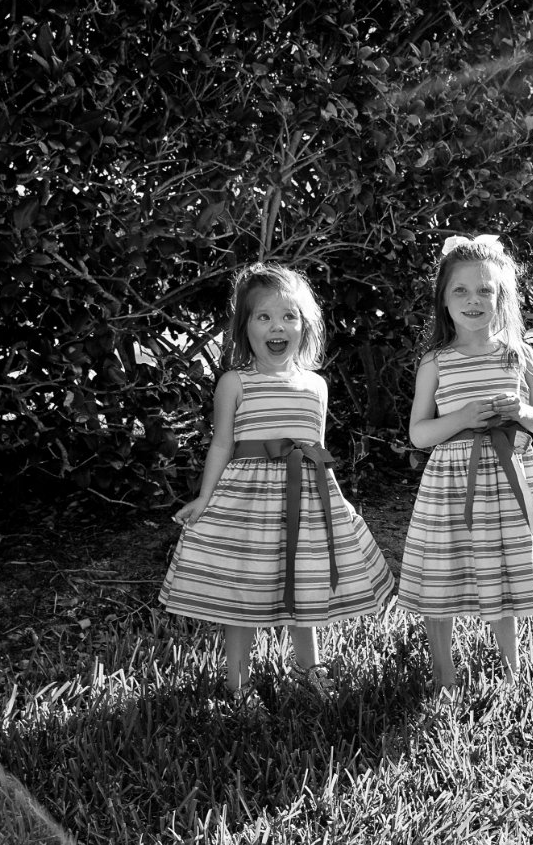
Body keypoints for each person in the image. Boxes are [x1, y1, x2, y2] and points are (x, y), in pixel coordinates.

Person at [159, 262, 394, 706]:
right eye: (263, 317)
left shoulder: (316, 385)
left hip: (305, 499)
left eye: (288, 316)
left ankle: (308, 670)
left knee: (304, 586)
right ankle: (238, 685)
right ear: (244, 327)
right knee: (243, 591)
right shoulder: (235, 382)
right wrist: (205, 497)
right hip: (247, 503)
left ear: (305, 325)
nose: (277, 326)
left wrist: (337, 505)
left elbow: (317, 451)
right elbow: (222, 444)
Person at [399, 234, 533, 700]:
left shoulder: (519, 354)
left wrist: (520, 413)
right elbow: (419, 433)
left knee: (504, 571)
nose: (474, 300)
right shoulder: (436, 361)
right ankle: (444, 673)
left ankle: (512, 672)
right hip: (451, 484)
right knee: (443, 573)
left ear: (502, 297)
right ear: (443, 301)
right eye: (461, 291)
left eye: (486, 291)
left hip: (509, 479)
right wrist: (463, 419)